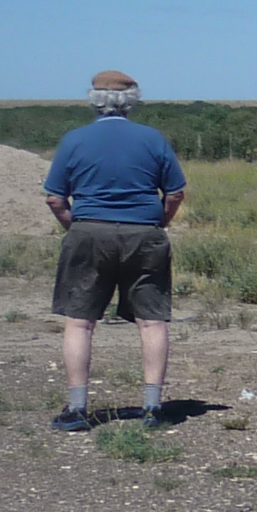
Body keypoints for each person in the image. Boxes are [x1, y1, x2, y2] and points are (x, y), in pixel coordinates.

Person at [44, 71, 187, 429]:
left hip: (89, 231)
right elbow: (175, 193)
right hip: (144, 233)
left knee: (79, 321)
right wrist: (160, 224)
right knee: (152, 320)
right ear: (132, 100)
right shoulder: (153, 140)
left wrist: (75, 226)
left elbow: (55, 198)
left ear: (94, 99)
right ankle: (152, 408)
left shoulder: (74, 140)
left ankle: (77, 409)